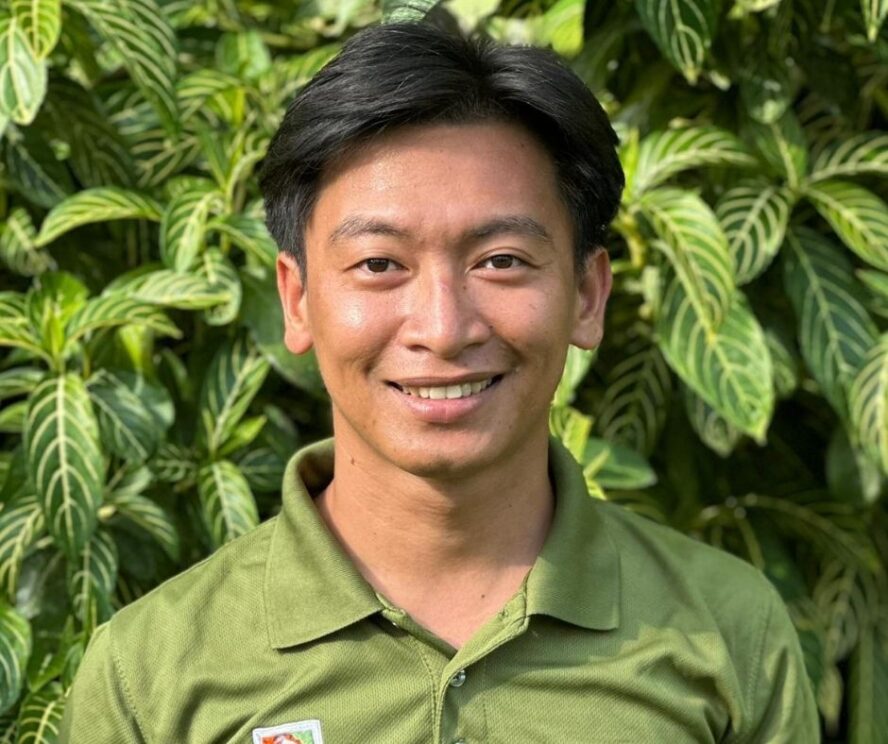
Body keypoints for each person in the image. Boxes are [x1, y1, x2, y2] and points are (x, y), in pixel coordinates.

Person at [61, 20, 819, 743]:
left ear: (588, 295)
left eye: (501, 261)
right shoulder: (152, 670)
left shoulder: (727, 631)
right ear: (297, 300)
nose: (444, 327)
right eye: (379, 265)